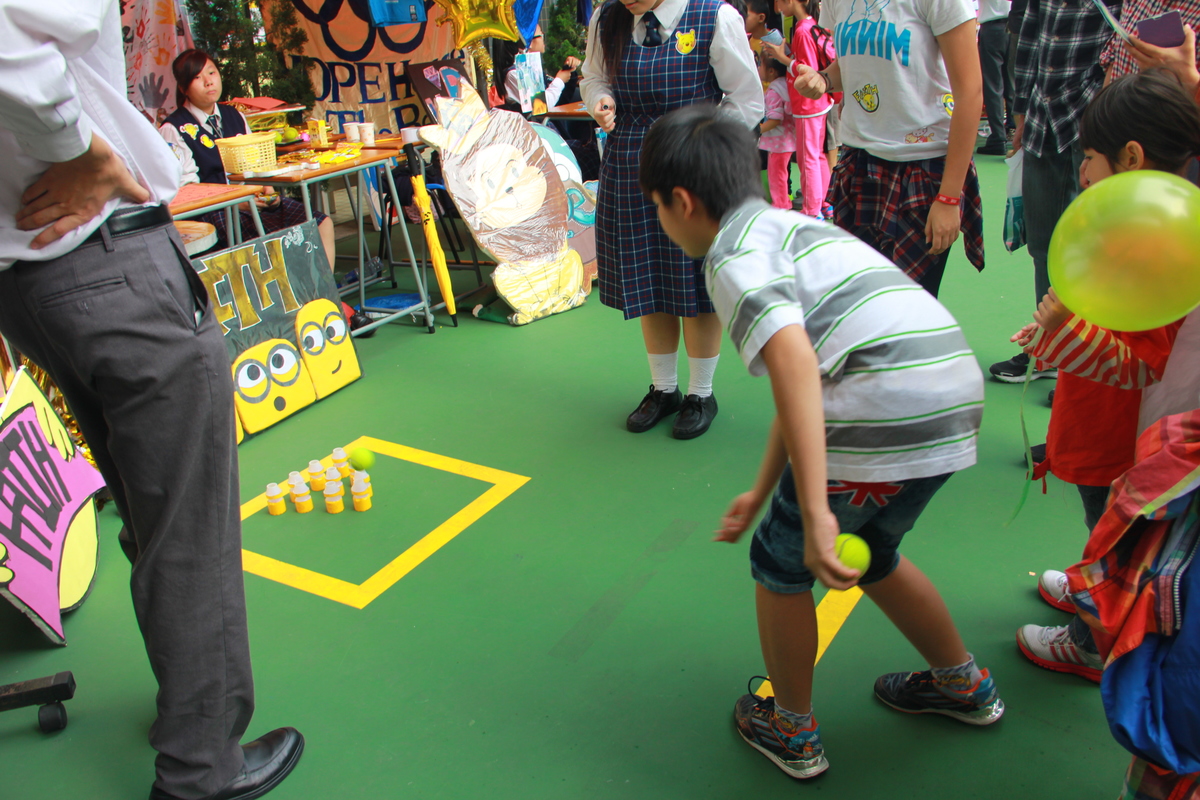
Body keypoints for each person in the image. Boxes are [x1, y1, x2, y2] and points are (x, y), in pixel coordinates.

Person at [640, 104, 1003, 780]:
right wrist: (762, 487)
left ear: (683, 202)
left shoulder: (731, 258)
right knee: (877, 553)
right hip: (950, 391)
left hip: (880, 404)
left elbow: (797, 367)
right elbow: (807, 379)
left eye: (657, 206)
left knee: (780, 564)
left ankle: (792, 730)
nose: (660, 219)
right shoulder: (789, 226)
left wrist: (814, 513)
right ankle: (963, 684)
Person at [0, 2, 304, 799]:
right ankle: (200, 766)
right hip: (105, 257)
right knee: (189, 529)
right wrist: (79, 146)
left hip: (32, 275)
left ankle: (188, 711)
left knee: (154, 515)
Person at [1008, 70, 1200, 682]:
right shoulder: (1138, 224)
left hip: (1121, 436)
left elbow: (1139, 364)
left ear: (1131, 158)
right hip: (1103, 418)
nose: (1084, 172)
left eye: (1089, 157)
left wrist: (1062, 330)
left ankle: (1091, 642)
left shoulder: (1159, 247)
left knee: (1111, 533)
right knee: (1101, 527)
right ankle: (1090, 587)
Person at [581, 0, 762, 439]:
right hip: (630, 161)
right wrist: (599, 100)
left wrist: (705, 143)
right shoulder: (607, 18)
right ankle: (663, 389)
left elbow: (747, 98)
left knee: (696, 281)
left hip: (693, 167)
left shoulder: (714, 15)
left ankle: (701, 393)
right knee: (650, 279)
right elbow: (593, 76)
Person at [791, 0, 985, 297]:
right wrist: (825, 78)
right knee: (860, 300)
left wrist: (949, 197)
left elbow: (970, 91)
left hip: (923, 166)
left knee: (908, 305)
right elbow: (855, 60)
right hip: (859, 162)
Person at [987, 0, 1117, 381]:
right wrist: (1021, 111)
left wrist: (1102, 115)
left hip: (1092, 122)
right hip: (1042, 119)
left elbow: (1119, 49)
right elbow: (1028, 36)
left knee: (1088, 248)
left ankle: (1080, 358)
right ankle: (1050, 350)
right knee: (1042, 243)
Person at [159, 49, 337, 268]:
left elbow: (255, 164)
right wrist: (237, 202)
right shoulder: (173, 129)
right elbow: (188, 191)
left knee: (321, 224)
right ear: (183, 87)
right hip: (216, 212)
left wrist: (267, 191)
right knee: (270, 245)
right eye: (197, 77)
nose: (208, 82)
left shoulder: (234, 115)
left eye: (212, 73)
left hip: (252, 203)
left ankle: (325, 288)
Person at [763, 0, 836, 217]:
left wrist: (782, 58)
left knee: (807, 159)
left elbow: (808, 70)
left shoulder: (802, 30)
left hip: (807, 105)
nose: (778, 8)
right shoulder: (812, 24)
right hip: (819, 103)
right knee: (817, 155)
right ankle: (823, 203)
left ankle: (812, 211)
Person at [758, 56, 797, 208]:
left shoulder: (774, 91)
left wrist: (758, 130)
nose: (758, 68)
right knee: (781, 173)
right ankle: (783, 201)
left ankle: (780, 204)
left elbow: (775, 119)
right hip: (787, 139)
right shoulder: (786, 85)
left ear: (771, 71)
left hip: (778, 142)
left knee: (776, 174)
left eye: (760, 65)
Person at [977, 0, 1014, 156]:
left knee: (993, 86)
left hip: (992, 27)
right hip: (1014, 25)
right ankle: (1013, 129)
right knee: (1012, 83)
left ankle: (998, 137)